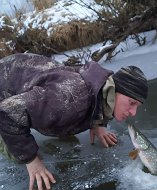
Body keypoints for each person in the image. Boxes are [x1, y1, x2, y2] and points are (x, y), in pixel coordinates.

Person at [0, 53, 148, 190]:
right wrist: (30, 159)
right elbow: (7, 112)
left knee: (65, 118)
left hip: (30, 77)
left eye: (137, 106)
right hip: (5, 89)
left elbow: (92, 89)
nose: (133, 113)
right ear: (115, 90)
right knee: (16, 152)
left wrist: (97, 124)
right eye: (131, 102)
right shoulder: (68, 100)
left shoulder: (101, 89)